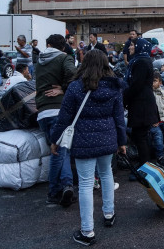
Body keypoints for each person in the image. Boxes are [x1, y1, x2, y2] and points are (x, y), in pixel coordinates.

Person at [49, 49, 126, 246]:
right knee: (107, 174)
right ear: (106, 64)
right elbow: (119, 117)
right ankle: (109, 214)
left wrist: (55, 139)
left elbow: (64, 117)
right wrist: (122, 141)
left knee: (85, 183)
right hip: (108, 137)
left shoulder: (75, 87)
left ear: (84, 64)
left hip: (83, 140)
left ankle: (87, 231)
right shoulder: (115, 87)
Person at [35, 34, 77, 206]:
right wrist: (64, 89)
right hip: (59, 110)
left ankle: (64, 186)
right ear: (63, 46)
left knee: (59, 150)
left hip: (43, 112)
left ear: (48, 44)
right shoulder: (64, 58)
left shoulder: (39, 61)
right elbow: (74, 74)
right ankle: (58, 189)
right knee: (60, 151)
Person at [124, 38, 161, 171]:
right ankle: (145, 163)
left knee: (140, 136)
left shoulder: (141, 62)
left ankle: (144, 166)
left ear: (140, 47)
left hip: (142, 105)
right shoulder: (141, 61)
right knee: (140, 135)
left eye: (133, 45)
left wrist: (124, 98)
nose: (130, 47)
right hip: (142, 103)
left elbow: (136, 85)